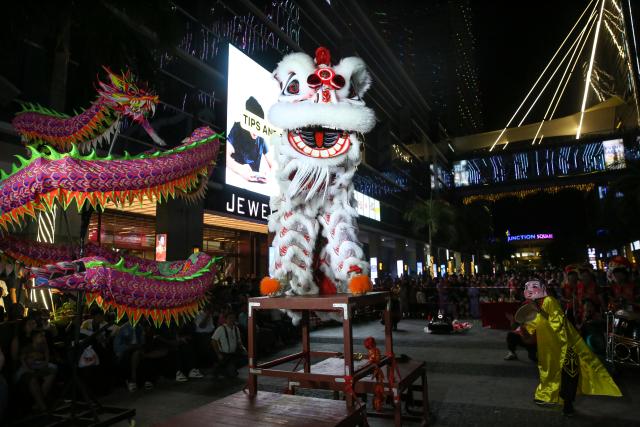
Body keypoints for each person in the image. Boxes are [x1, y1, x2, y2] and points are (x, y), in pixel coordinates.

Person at [522, 280, 621, 416]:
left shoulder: (549, 301)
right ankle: (556, 400)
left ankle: (567, 405)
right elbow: (532, 327)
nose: (531, 291)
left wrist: (539, 311)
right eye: (528, 288)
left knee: (570, 374)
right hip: (551, 351)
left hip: (566, 346)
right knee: (557, 375)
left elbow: (558, 322)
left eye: (534, 287)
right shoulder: (535, 306)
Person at [226, 97, 273, 183]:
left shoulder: (261, 139)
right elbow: (225, 155)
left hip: (254, 187)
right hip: (234, 182)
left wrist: (270, 174)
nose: (256, 130)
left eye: (259, 125)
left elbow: (274, 165)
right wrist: (240, 169)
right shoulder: (237, 128)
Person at [211, 312, 247, 378]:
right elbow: (213, 341)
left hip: (233, 354)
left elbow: (239, 341)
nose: (232, 319)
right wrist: (218, 354)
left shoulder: (236, 329)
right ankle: (221, 369)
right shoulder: (221, 329)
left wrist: (243, 349)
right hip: (224, 354)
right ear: (225, 319)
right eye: (230, 318)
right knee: (232, 375)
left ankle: (230, 368)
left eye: (233, 318)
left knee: (246, 358)